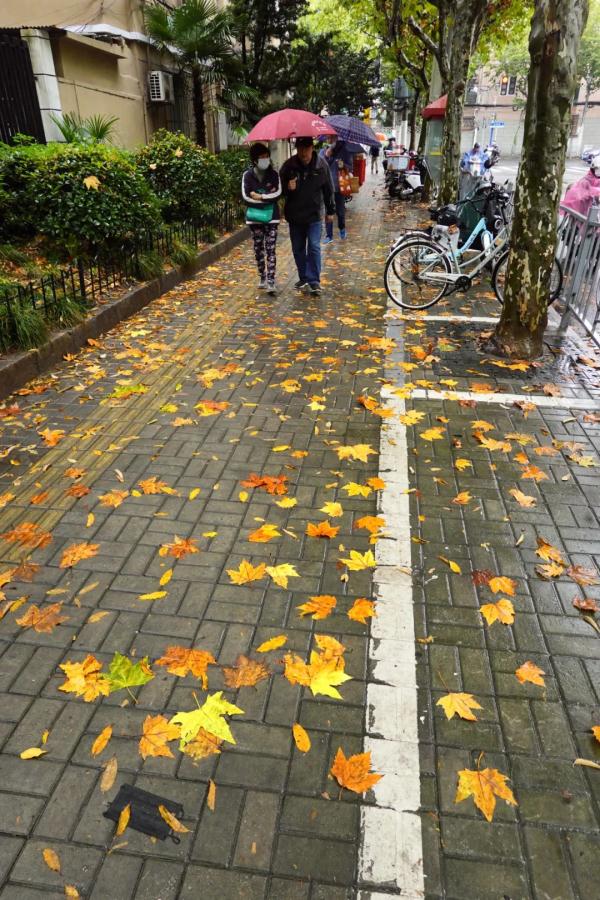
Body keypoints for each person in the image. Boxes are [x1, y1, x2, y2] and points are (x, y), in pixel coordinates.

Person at [280, 136, 335, 295]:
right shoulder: (289, 166)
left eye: (307, 148)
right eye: (300, 148)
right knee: (298, 249)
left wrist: (330, 211)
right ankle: (304, 277)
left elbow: (328, 189)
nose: (304, 152)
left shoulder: (321, 165)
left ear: (312, 148)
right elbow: (279, 190)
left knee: (314, 246)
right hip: (295, 215)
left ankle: (314, 280)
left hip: (314, 215)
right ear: (297, 148)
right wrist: (287, 187)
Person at [241, 142, 281, 294]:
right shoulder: (247, 175)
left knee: (270, 248)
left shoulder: (274, 174)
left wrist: (260, 196)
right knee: (258, 249)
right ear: (255, 160)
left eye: (267, 157)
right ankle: (262, 276)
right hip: (255, 218)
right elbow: (245, 197)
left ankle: (271, 280)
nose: (265, 159)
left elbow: (277, 194)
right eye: (261, 157)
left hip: (272, 218)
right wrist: (265, 199)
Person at [319, 135, 353, 243]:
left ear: (336, 138)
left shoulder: (344, 151)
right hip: (327, 187)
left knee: (340, 211)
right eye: (328, 138)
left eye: (332, 138)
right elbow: (319, 166)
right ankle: (329, 236)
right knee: (328, 212)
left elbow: (350, 167)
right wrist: (327, 156)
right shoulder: (323, 151)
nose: (330, 140)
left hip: (340, 186)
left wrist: (344, 166)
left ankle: (342, 228)